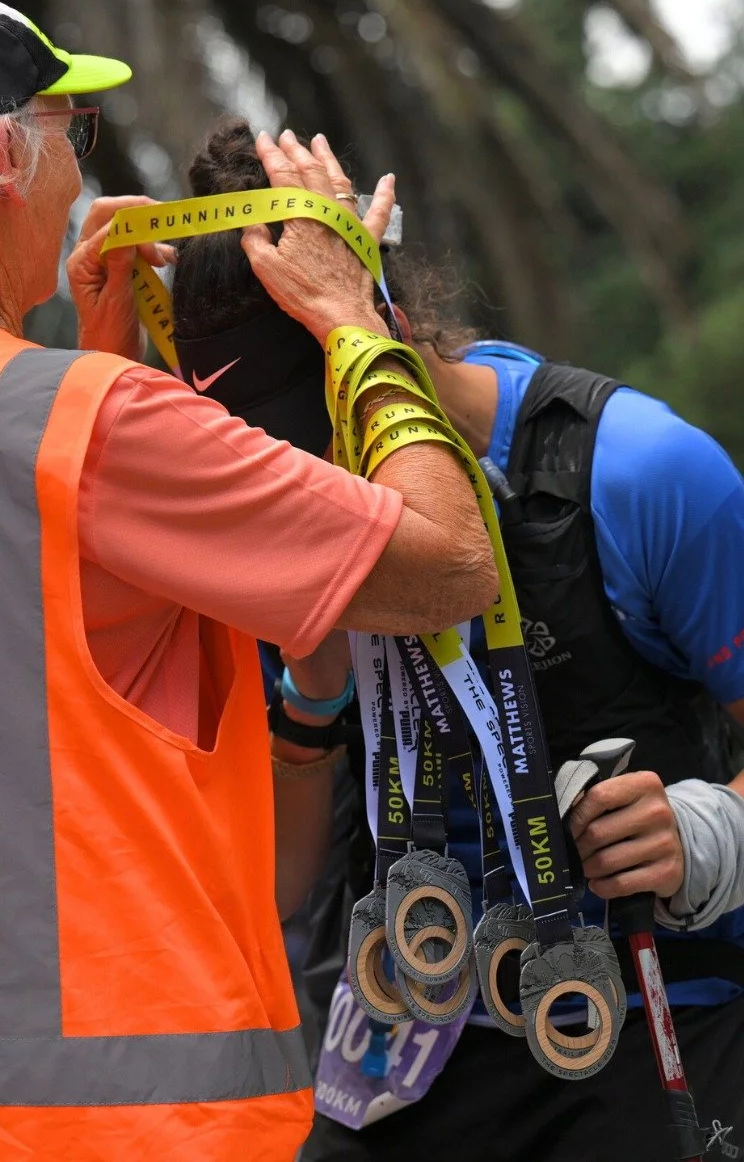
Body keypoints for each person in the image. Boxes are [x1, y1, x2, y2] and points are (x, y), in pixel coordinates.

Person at [0, 0, 498, 1161]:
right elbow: (452, 569)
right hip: (141, 1124)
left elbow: (6, 666)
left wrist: (95, 366)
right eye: (70, 137)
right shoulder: (86, 425)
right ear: (8, 163)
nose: (84, 177)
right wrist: (352, 323)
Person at [169, 116, 744, 1162]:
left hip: (638, 1019)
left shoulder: (641, 474)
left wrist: (704, 834)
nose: (304, 496)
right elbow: (281, 892)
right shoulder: (254, 518)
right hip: (403, 1036)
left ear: (378, 331)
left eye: (316, 443)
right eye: (262, 466)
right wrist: (310, 701)